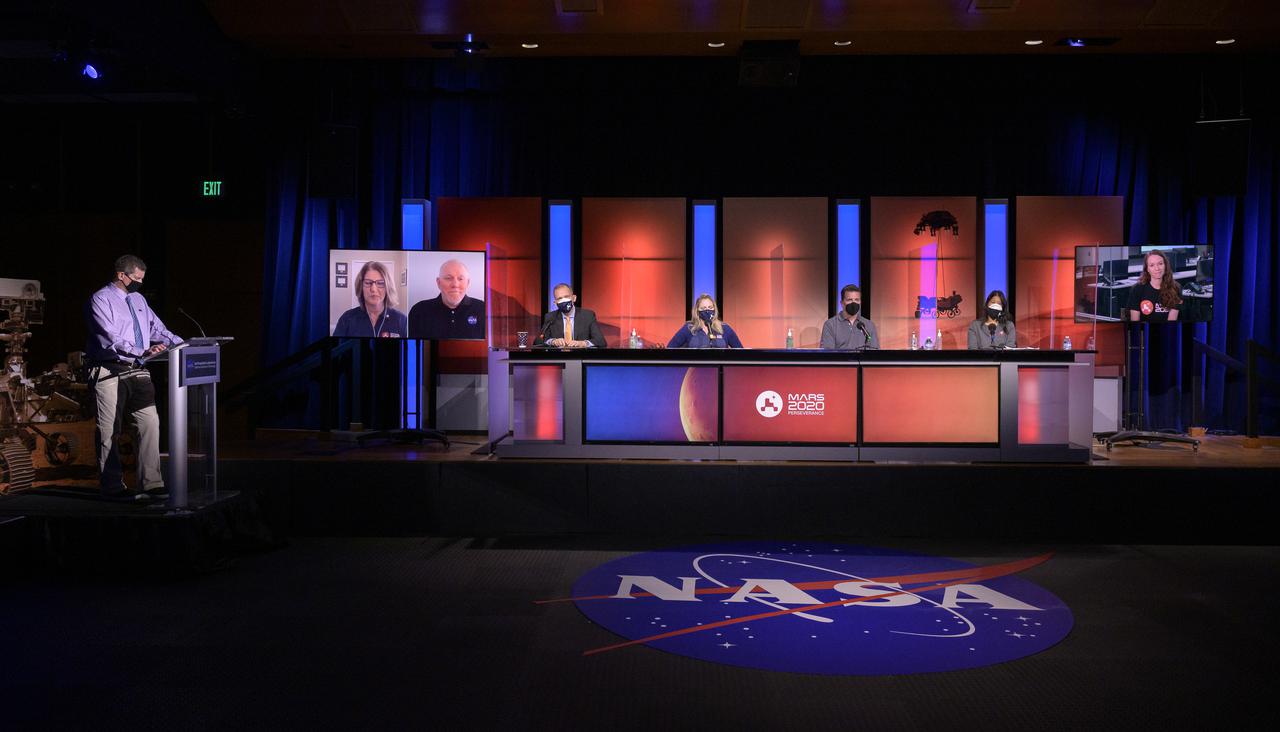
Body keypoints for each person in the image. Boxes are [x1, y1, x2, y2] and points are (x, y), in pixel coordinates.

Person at [83, 254, 183, 500]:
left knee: (150, 425)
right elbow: (109, 337)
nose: (140, 283)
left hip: (138, 371)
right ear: (121, 275)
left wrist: (182, 345)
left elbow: (156, 329)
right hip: (110, 370)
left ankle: (151, 483)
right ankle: (113, 487)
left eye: (142, 279)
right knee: (109, 431)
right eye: (136, 278)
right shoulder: (100, 299)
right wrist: (142, 350)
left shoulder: (138, 299)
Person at [408, 258, 486, 339]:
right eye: (448, 278)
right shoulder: (419, 311)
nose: (455, 284)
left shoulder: (483, 309)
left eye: (460, 279)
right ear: (438, 283)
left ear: (468, 283)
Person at [333, 261, 408, 338]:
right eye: (368, 283)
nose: (373, 289)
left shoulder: (401, 320)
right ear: (361, 287)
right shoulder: (347, 319)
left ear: (388, 287)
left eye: (380, 283)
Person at [535, 283, 606, 348]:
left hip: (580, 357)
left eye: (566, 296)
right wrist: (553, 341)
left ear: (574, 298)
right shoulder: (550, 317)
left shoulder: (588, 316)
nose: (564, 300)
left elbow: (601, 341)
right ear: (555, 302)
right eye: (560, 298)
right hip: (559, 358)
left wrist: (583, 343)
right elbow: (537, 341)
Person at [668, 294, 744, 348]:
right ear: (697, 311)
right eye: (703, 308)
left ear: (714, 309)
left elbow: (741, 353)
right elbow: (670, 348)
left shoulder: (725, 329)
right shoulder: (689, 328)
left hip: (719, 370)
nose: (707, 310)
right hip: (695, 369)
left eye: (710, 307)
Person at [1126, 249, 1182, 322]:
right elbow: (1135, 320)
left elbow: (1172, 320)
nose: (1157, 268)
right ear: (1147, 269)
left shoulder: (1176, 288)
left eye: (1160, 264)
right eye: (1152, 265)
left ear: (1165, 265)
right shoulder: (1137, 289)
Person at [820, 284, 879, 350]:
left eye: (857, 300)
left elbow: (875, 351)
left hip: (862, 360)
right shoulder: (830, 325)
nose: (853, 303)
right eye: (849, 300)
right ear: (842, 303)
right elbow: (827, 354)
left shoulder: (869, 325)